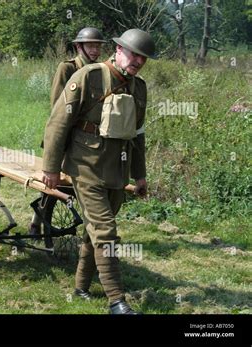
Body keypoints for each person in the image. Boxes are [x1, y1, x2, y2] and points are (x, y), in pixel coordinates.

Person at [42, 29, 156, 314]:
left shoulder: (139, 87)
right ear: (118, 50)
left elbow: (138, 135)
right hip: (85, 167)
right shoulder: (88, 76)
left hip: (117, 169)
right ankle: (117, 301)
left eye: (143, 58)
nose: (138, 62)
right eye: (133, 55)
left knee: (94, 231)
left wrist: (139, 175)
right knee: (105, 231)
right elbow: (58, 123)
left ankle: (81, 286)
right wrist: (51, 168)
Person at [29, 27, 107, 238]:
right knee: (55, 180)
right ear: (78, 46)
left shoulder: (101, 71)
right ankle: (37, 220)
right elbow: (57, 105)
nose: (95, 50)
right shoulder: (67, 68)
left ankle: (44, 220)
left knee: (71, 184)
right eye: (91, 46)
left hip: (88, 139)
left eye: (98, 46)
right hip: (65, 134)